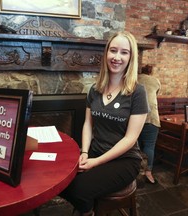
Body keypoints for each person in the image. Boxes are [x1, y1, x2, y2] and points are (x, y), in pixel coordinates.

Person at [60, 31, 149, 216]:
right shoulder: (94, 89)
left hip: (124, 160)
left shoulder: (138, 93)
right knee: (59, 179)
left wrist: (95, 162)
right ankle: (87, 207)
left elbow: (130, 139)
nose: (117, 57)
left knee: (78, 190)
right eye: (113, 50)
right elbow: (88, 124)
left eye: (124, 52)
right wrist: (85, 152)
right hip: (96, 150)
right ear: (106, 53)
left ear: (131, 57)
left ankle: (87, 212)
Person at [137, 64, 161, 184]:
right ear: (150, 72)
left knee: (133, 144)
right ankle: (148, 172)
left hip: (135, 117)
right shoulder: (155, 81)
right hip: (151, 117)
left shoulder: (134, 79)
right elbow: (155, 95)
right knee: (149, 146)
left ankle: (134, 170)